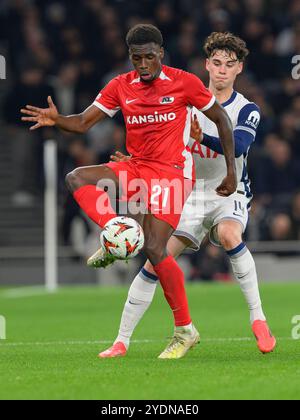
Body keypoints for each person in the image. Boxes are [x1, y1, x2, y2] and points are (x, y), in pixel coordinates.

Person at [21, 24, 237, 359]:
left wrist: (232, 173)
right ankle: (113, 231)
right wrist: (58, 119)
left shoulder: (184, 82)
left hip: (173, 174)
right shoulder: (120, 86)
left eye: (150, 57)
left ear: (161, 54)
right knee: (77, 177)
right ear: (130, 57)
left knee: (153, 247)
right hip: (136, 166)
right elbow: (81, 123)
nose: (143, 64)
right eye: (137, 58)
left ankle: (185, 330)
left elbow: (222, 119)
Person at [99, 32, 276, 359]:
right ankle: (121, 340)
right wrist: (138, 161)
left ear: (239, 70)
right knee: (157, 257)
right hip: (188, 191)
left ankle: (258, 319)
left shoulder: (247, 109)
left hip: (229, 189)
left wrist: (203, 139)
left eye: (230, 65)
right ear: (207, 65)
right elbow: (164, 147)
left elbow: (238, 146)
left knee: (228, 233)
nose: (222, 70)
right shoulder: (185, 102)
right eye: (217, 63)